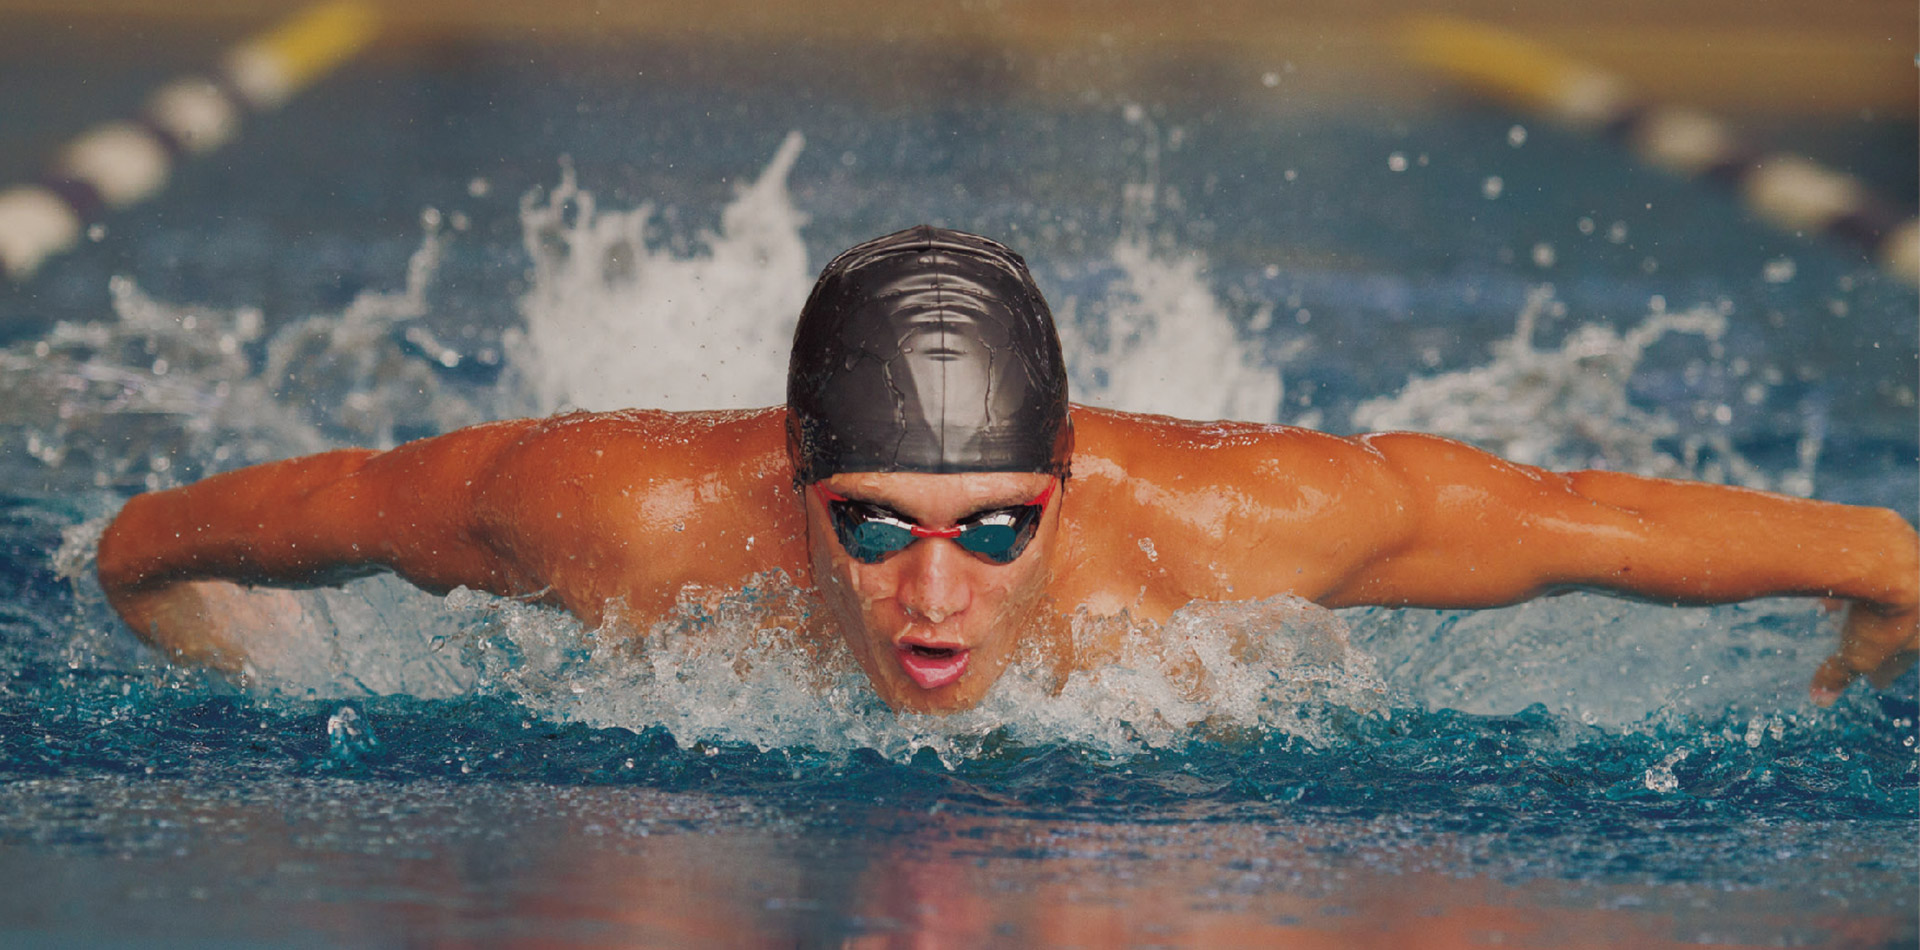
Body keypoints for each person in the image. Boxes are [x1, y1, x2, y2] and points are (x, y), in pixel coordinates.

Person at [95, 226, 1919, 714]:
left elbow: (1582, 521)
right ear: (793, 484)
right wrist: (213, 652)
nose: (933, 596)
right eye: (871, 527)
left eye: (994, 530)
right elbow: (166, 543)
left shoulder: (1234, 530)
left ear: (1068, 489)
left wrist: (1877, 611)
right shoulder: (608, 518)